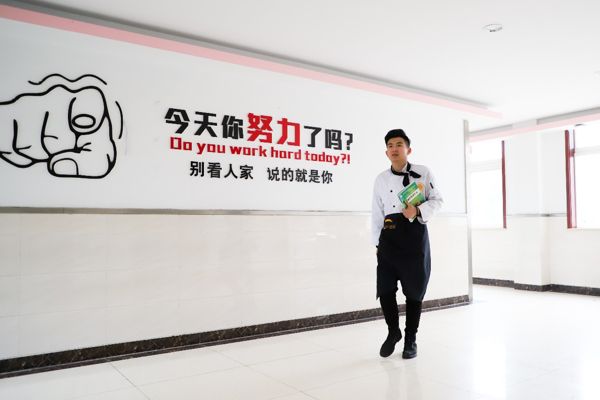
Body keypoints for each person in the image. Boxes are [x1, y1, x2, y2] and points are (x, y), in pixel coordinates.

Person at [372, 128, 443, 359]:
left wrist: (418, 210)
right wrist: (377, 244)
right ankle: (393, 332)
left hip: (414, 237)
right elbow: (377, 213)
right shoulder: (381, 179)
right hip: (389, 238)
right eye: (390, 145)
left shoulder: (424, 172)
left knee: (414, 291)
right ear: (386, 152)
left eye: (399, 144)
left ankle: (411, 339)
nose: (394, 149)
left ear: (408, 149)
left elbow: (438, 200)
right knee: (385, 289)